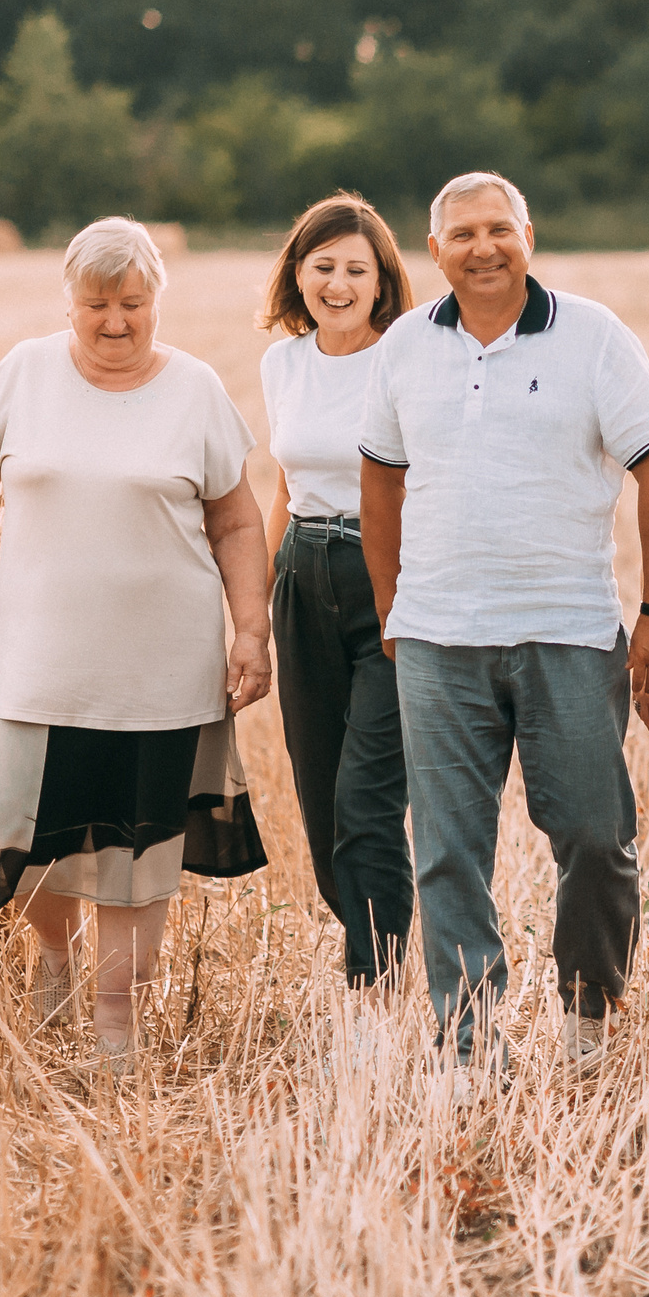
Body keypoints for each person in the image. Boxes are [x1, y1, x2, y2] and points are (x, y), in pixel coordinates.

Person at [0, 216, 271, 1069]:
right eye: (97, 304)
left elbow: (235, 519)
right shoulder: (25, 373)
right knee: (28, 838)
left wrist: (252, 627)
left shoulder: (194, 388)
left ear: (158, 299)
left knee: (136, 851)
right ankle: (55, 954)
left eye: (133, 302)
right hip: (39, 662)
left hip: (161, 670)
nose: (115, 320)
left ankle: (115, 1021)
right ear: (69, 302)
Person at [359, 171, 649, 1075]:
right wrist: (392, 607)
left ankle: (586, 1013)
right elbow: (379, 479)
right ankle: (467, 1043)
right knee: (449, 851)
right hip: (437, 637)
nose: (483, 247)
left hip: (569, 631)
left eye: (499, 229)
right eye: (462, 234)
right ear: (435, 252)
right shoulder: (404, 348)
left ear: (529, 237)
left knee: (594, 835)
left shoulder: (594, 336)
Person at [259, 193, 417, 986]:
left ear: (383, 280)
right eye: (324, 266)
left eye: (357, 268)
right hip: (301, 573)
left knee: (366, 799)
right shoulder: (281, 363)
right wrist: (253, 611)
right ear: (299, 273)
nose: (340, 283)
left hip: (388, 580)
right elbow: (283, 489)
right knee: (320, 799)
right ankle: (370, 942)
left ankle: (374, 978)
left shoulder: (410, 358)